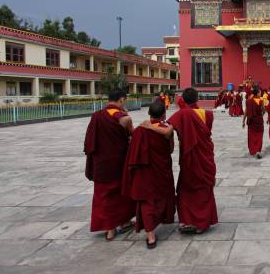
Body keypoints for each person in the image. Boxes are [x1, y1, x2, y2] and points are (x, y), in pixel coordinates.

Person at [122, 101, 176, 249]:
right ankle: (162, 219)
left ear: (149, 114)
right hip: (161, 169)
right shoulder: (167, 129)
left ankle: (150, 235)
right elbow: (170, 150)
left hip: (144, 171)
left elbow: (134, 150)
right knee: (161, 196)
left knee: (147, 201)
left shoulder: (140, 130)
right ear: (164, 114)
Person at [84, 90, 135, 241]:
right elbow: (132, 132)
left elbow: (89, 141)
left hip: (101, 163)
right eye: (124, 101)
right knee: (122, 192)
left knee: (103, 195)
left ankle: (110, 228)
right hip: (118, 161)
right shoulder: (122, 117)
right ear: (121, 100)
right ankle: (123, 221)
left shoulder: (97, 116)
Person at [167, 88, 218, 234]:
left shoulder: (181, 114)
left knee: (187, 187)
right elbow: (205, 133)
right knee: (203, 187)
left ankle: (188, 220)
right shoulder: (208, 115)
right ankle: (202, 223)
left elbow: (168, 130)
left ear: (183, 99)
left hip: (189, 157)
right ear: (197, 99)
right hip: (204, 155)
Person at [243, 87, 265, 158]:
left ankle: (253, 150)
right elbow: (264, 111)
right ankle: (258, 151)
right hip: (259, 121)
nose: (260, 93)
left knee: (252, 136)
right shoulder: (261, 101)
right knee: (259, 136)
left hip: (251, 122)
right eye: (260, 92)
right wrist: (261, 113)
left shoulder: (249, 101)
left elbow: (246, 112)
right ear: (257, 93)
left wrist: (243, 121)